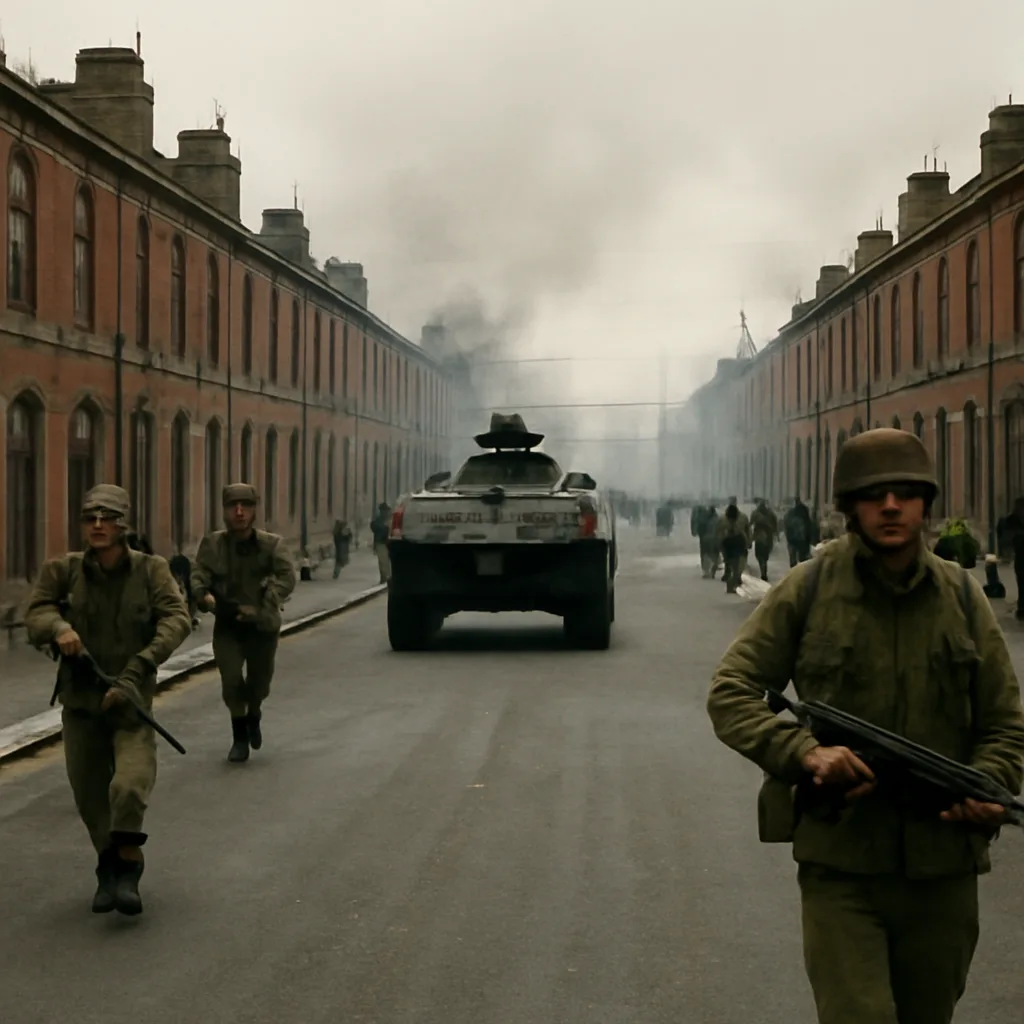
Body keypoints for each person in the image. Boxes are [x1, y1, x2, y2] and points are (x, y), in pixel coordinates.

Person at [707, 428, 1024, 1024]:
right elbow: (732, 690)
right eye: (873, 493)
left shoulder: (962, 597)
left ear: (925, 503)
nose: (890, 505)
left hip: (942, 869)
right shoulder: (808, 588)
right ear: (849, 506)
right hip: (842, 864)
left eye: (905, 492)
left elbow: (1005, 721)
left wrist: (988, 786)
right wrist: (803, 753)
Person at [23, 484, 191, 916]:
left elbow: (177, 618)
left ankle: (129, 865)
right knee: (91, 796)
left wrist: (138, 669)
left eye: (108, 516)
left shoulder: (151, 570)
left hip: (131, 705)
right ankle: (107, 867)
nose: (98, 524)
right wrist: (59, 627)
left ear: (124, 524)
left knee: (129, 787)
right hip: (81, 705)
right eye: (90, 517)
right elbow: (36, 611)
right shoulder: (63, 571)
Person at [191, 484, 297, 763]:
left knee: (259, 684)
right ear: (224, 511)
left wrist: (264, 602)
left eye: (246, 506)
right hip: (228, 626)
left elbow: (287, 578)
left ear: (254, 511)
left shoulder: (272, 544)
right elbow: (199, 573)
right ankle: (239, 738)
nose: (239, 512)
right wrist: (203, 595)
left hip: (262, 626)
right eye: (233, 506)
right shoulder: (212, 544)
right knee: (231, 681)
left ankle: (254, 713)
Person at [717, 500, 751, 593]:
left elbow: (719, 534)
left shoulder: (723, 519)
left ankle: (732, 582)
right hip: (734, 544)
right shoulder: (742, 518)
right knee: (735, 567)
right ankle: (732, 583)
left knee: (735, 566)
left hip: (733, 544)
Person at [750, 499, 779, 581]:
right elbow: (775, 524)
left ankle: (763, 571)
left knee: (760, 556)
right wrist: (776, 534)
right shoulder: (770, 513)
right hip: (768, 537)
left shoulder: (755, 513)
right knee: (764, 556)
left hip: (759, 537)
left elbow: (750, 523)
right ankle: (763, 571)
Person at [784, 496, 813, 566]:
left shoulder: (790, 512)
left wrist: (787, 536)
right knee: (803, 559)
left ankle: (793, 568)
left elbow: (786, 524)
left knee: (793, 558)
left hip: (792, 539)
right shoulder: (805, 510)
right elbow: (809, 524)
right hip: (802, 539)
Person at [370, 502, 392, 584]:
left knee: (387, 561)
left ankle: (388, 577)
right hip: (380, 543)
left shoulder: (390, 519)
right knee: (382, 561)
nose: (385, 512)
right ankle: (384, 577)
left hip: (388, 543)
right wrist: (385, 528)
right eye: (384, 510)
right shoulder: (378, 520)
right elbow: (374, 527)